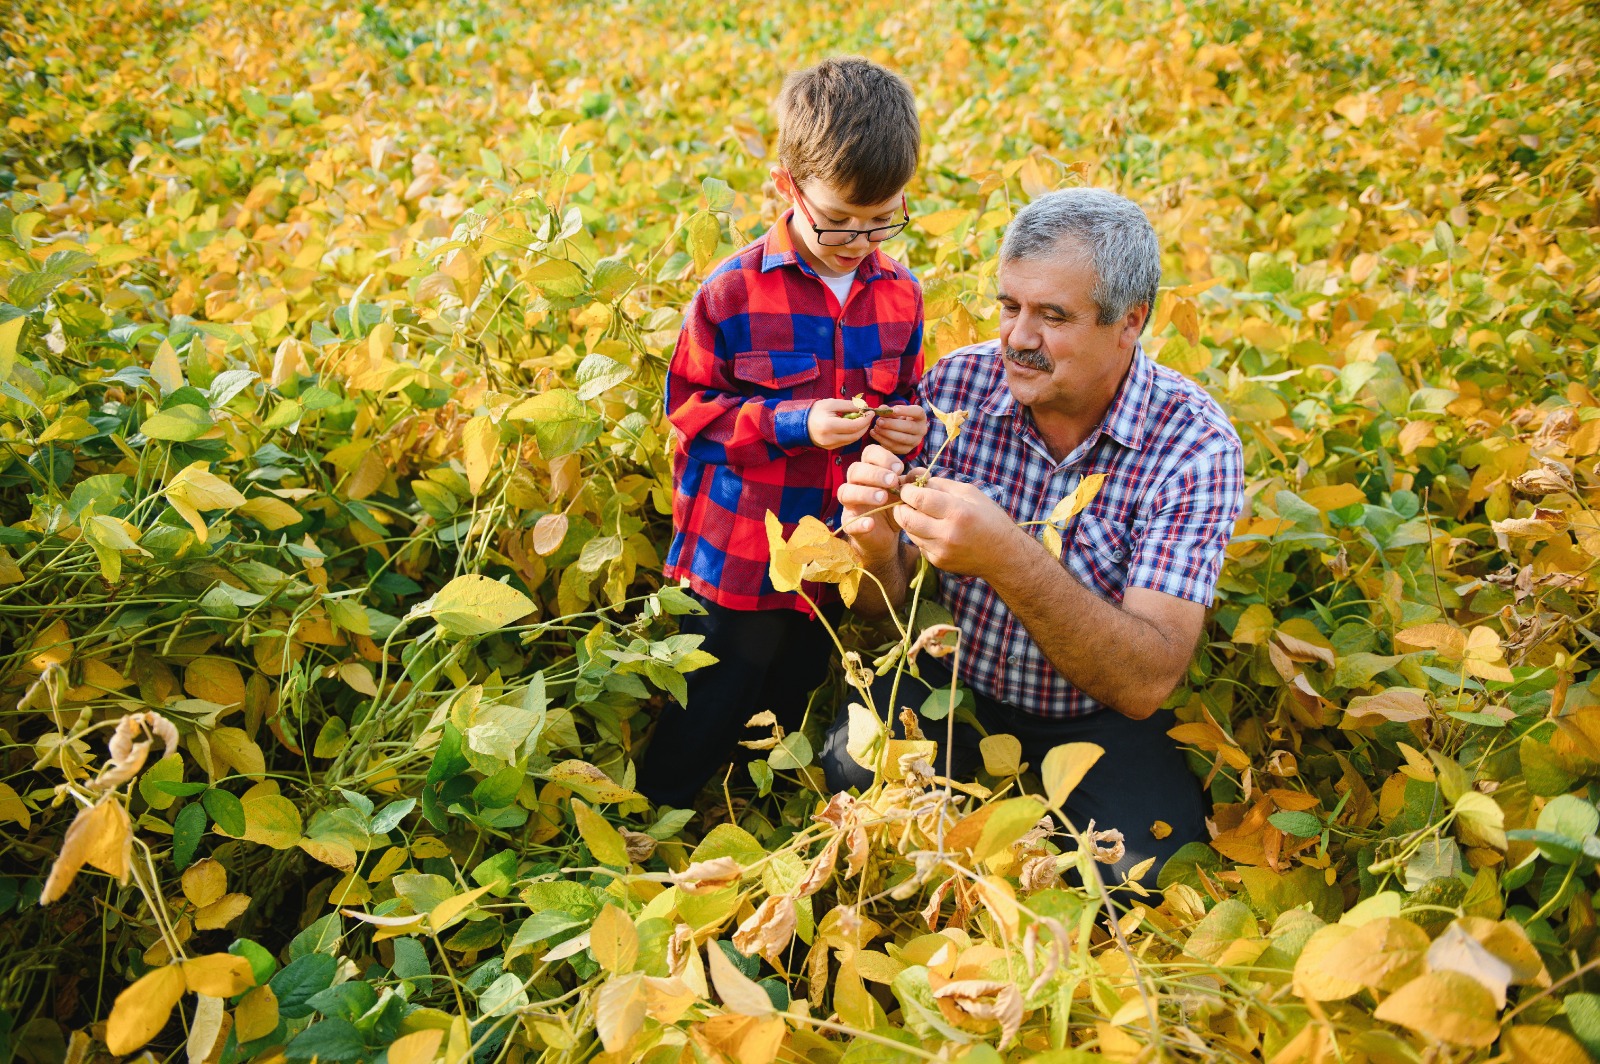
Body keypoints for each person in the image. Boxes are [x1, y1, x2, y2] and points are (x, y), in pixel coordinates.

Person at [819, 188, 1245, 883]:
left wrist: (1009, 556)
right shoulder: (958, 386)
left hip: (1096, 716)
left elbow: (1146, 681)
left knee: (1146, 873)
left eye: (1053, 315)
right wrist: (873, 550)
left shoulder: (1194, 446)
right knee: (856, 783)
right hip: (949, 686)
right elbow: (888, 611)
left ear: (1129, 323)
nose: (1018, 338)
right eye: (1009, 305)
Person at [638, 57, 930, 809]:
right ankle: (656, 813)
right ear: (787, 186)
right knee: (713, 694)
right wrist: (796, 423)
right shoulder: (732, 292)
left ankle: (749, 804)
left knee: (792, 686)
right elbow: (692, 413)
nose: (860, 239)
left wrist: (905, 428)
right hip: (737, 555)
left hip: (829, 549)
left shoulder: (900, 297)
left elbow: (905, 397)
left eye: (883, 219)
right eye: (838, 219)